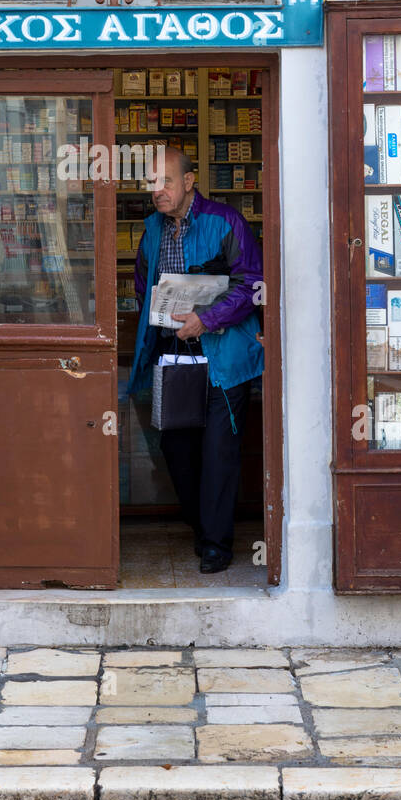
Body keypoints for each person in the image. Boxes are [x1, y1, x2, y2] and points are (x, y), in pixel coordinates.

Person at [128, 145, 264, 574]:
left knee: (219, 451)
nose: (157, 190)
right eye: (152, 182)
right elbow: (140, 283)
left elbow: (253, 285)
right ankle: (200, 526)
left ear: (189, 182)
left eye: (166, 180)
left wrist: (206, 318)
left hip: (222, 355)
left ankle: (216, 544)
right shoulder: (152, 228)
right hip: (172, 353)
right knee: (177, 448)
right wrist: (159, 313)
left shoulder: (225, 221)